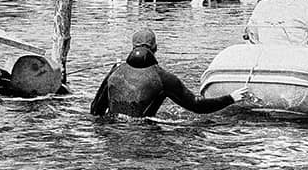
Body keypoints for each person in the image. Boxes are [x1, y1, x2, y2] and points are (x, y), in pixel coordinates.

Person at [91, 28, 252, 117]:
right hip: (144, 135)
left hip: (112, 135)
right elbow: (197, 105)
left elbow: (96, 109)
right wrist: (231, 98)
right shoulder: (163, 78)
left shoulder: (115, 70)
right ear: (155, 49)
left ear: (132, 48)